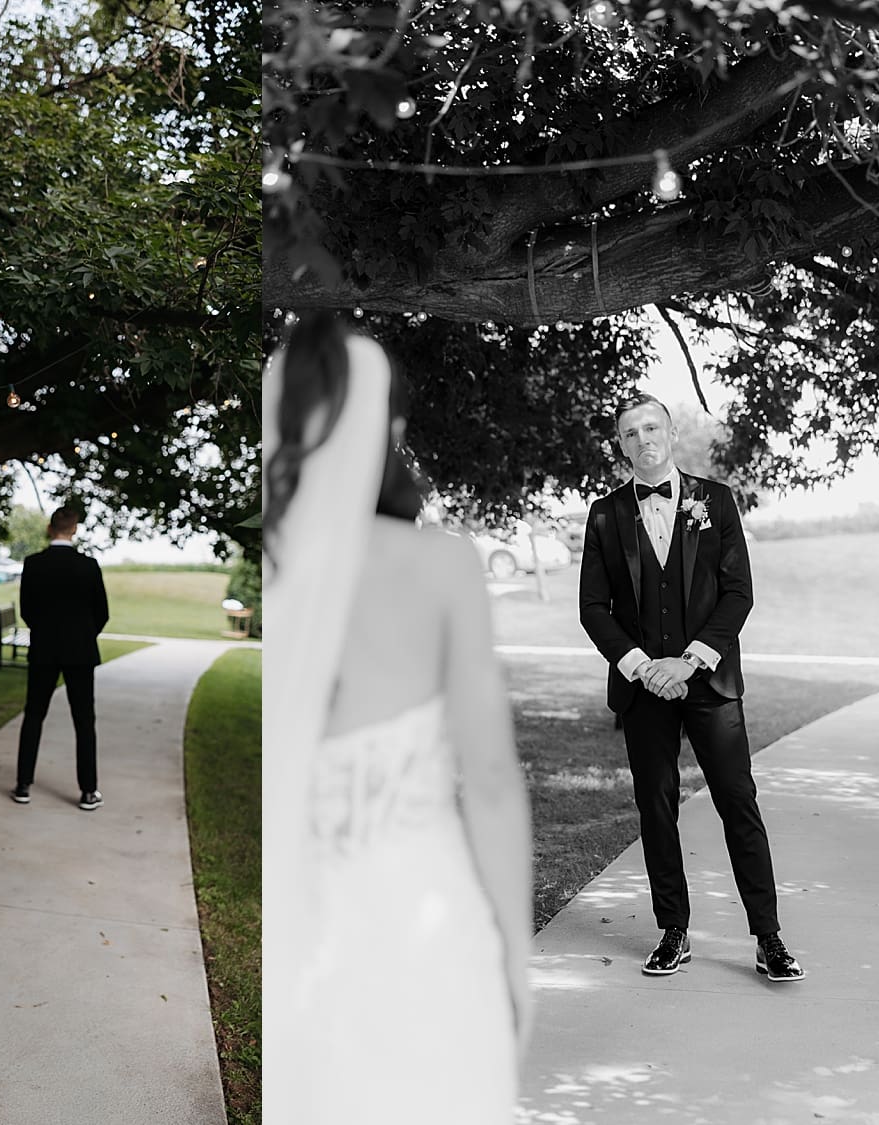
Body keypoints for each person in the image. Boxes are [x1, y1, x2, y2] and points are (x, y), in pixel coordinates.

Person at [263, 312, 533, 1123]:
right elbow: (488, 779)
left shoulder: (271, 578)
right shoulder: (441, 565)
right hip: (425, 926)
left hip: (298, 936)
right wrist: (516, 955)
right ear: (390, 432)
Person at [578, 392, 805, 982]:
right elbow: (593, 608)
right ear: (621, 445)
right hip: (642, 687)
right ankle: (672, 931)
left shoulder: (717, 501)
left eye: (652, 428)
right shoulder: (604, 514)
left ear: (671, 435)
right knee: (655, 808)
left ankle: (768, 937)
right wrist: (640, 665)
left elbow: (738, 594)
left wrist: (688, 662)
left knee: (738, 802)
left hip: (709, 683)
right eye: (630, 433)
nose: (643, 440)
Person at [10, 505, 110, 810]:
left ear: (52, 528)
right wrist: (81, 637)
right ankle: (89, 791)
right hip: (80, 653)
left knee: (34, 716)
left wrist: (48, 633)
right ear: (75, 529)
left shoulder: (34, 564)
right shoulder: (89, 565)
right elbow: (102, 613)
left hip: (44, 650)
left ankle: (23, 785)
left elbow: (27, 610)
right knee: (84, 721)